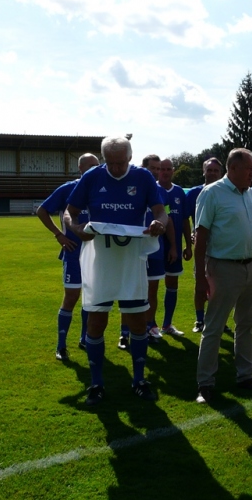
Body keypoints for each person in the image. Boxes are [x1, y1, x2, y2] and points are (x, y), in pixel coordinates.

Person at [64, 137, 168, 405]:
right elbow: (69, 211)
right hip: (100, 260)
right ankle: (96, 384)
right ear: (103, 159)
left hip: (131, 261)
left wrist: (159, 222)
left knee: (136, 321)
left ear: (130, 157)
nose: (117, 168)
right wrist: (74, 227)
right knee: (96, 322)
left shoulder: (143, 178)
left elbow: (160, 211)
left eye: (121, 163)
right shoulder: (91, 177)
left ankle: (139, 380)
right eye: (110, 163)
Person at [193, 149, 252, 404]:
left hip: (250, 267)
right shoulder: (212, 193)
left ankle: (245, 376)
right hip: (223, 268)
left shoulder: (251, 195)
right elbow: (201, 237)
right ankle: (205, 384)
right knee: (214, 327)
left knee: (246, 324)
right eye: (249, 168)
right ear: (233, 168)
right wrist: (200, 276)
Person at [36, 153, 100, 361]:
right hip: (74, 252)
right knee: (71, 297)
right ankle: (61, 345)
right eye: (90, 166)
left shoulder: (102, 189)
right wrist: (59, 235)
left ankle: (85, 338)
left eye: (97, 166)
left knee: (91, 299)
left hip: (98, 254)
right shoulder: (67, 188)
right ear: (80, 168)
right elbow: (42, 211)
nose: (94, 169)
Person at [140, 154, 177, 344]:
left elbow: (167, 219)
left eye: (157, 168)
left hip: (155, 249)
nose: (155, 171)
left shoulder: (159, 191)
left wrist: (172, 246)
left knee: (152, 290)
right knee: (134, 290)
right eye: (152, 168)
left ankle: (151, 325)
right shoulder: (132, 188)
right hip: (134, 250)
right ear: (143, 167)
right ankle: (130, 330)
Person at [185, 157, 223, 333]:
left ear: (221, 173)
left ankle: (218, 320)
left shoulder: (226, 191)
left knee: (221, 287)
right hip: (202, 246)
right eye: (209, 170)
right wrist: (192, 235)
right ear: (203, 171)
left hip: (223, 248)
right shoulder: (194, 193)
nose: (212, 173)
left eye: (216, 170)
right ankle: (200, 320)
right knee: (200, 283)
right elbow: (184, 217)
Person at [155, 158, 192, 336]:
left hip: (175, 246)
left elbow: (185, 220)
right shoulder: (153, 189)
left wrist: (188, 245)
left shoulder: (179, 192)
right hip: (155, 247)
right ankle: (151, 325)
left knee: (172, 283)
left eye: (169, 169)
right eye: (162, 169)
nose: (166, 172)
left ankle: (167, 324)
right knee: (151, 286)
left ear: (173, 171)